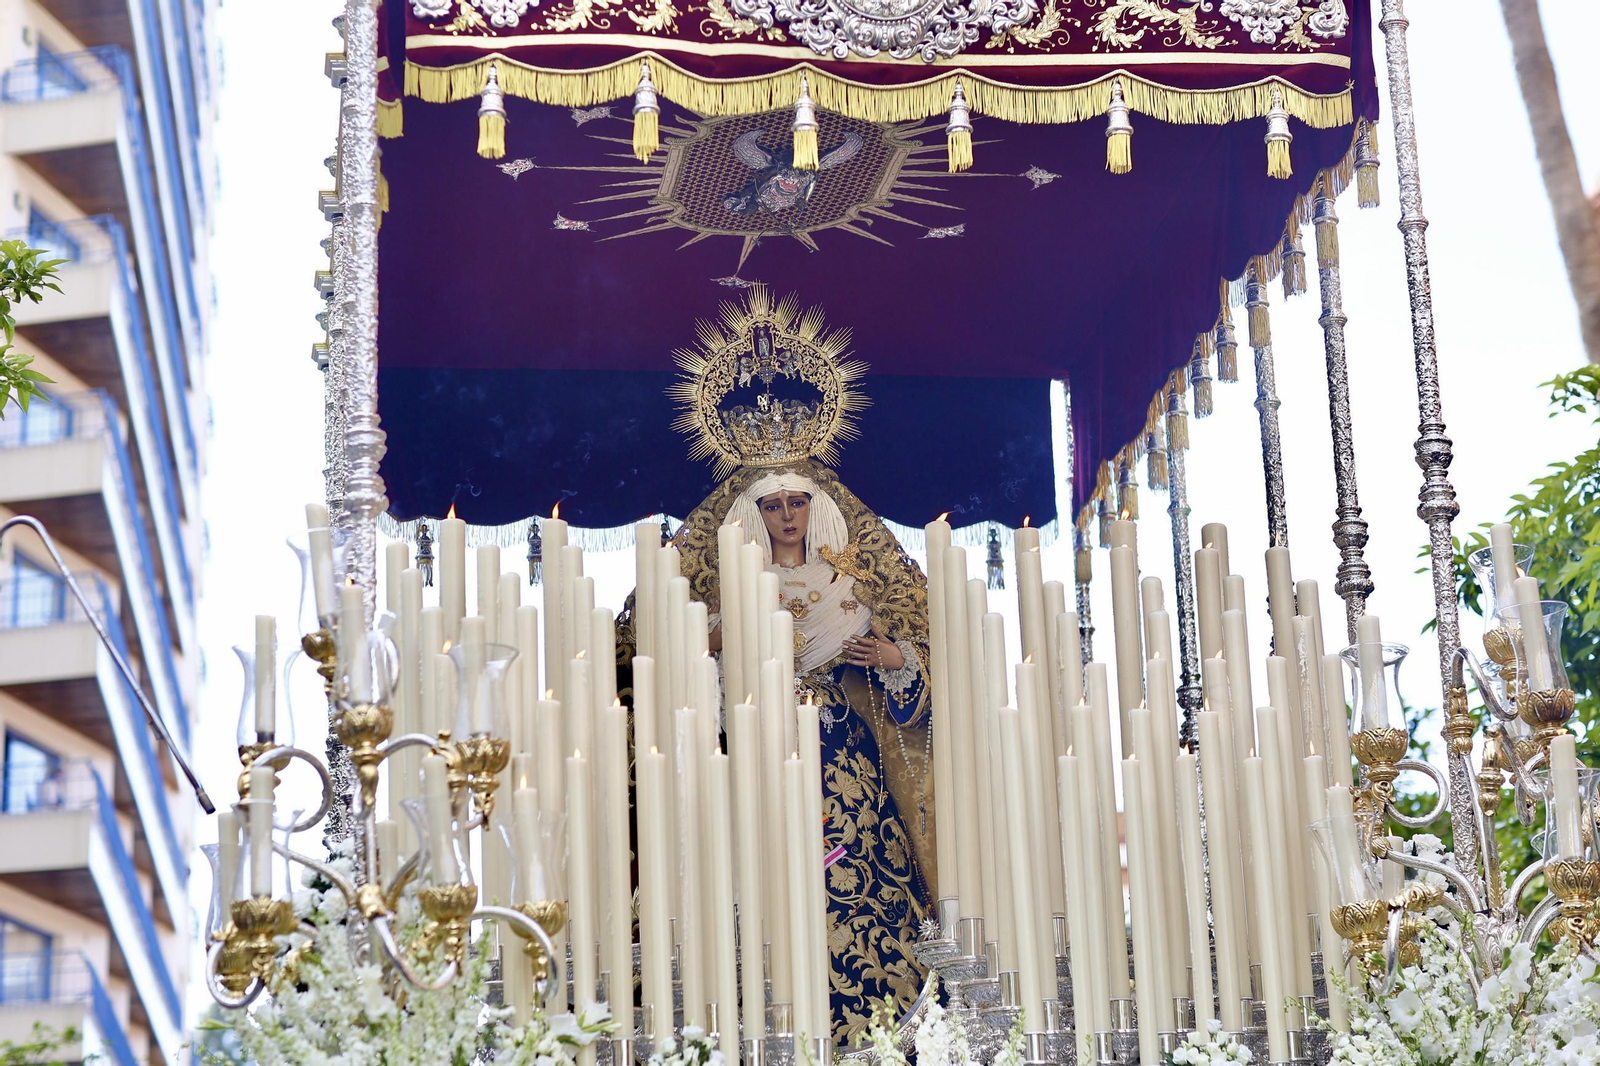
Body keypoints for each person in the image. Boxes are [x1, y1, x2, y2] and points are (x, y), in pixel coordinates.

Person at [660, 287, 935, 1044]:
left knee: (856, 884)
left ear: (816, 507)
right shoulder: (724, 600)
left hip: (841, 756)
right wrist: (720, 643)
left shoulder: (851, 588)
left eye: (796, 502)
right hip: (751, 749)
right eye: (772, 505)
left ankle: (874, 1029)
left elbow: (918, 679)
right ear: (752, 515)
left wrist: (893, 658)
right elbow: (670, 677)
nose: (786, 515)